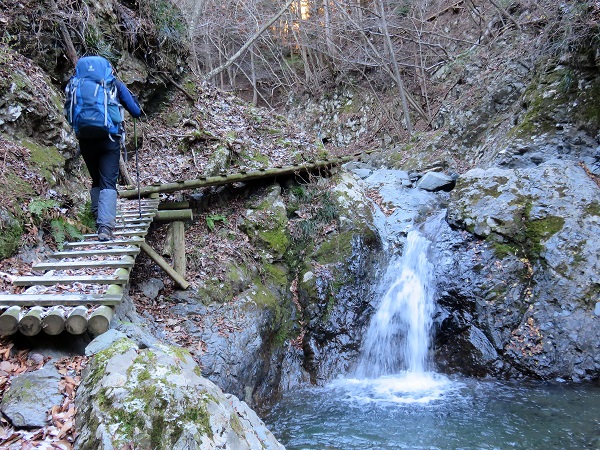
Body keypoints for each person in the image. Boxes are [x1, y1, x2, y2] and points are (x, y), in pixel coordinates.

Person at [68, 56, 142, 242]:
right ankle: (105, 228)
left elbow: (69, 109)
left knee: (96, 180)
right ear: (108, 69)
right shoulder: (112, 84)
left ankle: (97, 219)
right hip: (109, 140)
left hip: (85, 139)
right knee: (108, 181)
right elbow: (135, 111)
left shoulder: (75, 84)